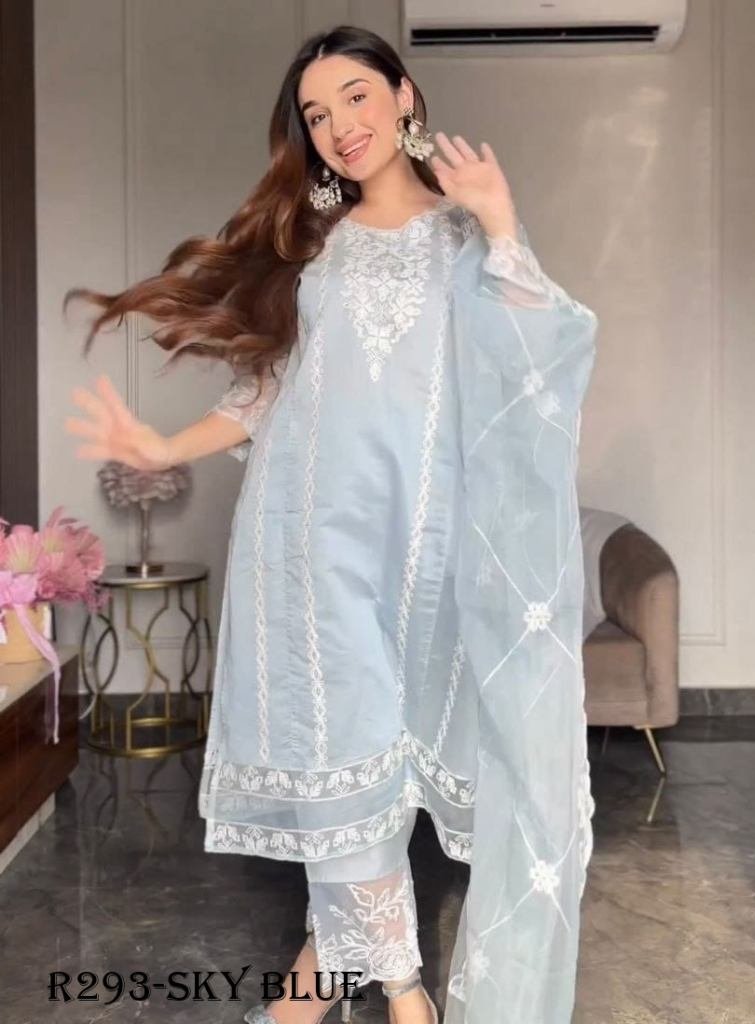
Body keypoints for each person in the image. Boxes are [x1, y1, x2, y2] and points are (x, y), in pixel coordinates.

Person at [64, 24, 598, 1024]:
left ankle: (313, 995)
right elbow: (265, 392)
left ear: (404, 96)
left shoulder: (464, 236)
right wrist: (164, 445)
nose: (339, 126)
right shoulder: (308, 245)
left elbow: (538, 359)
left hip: (428, 550)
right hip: (309, 541)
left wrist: (502, 224)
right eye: (316, 114)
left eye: (355, 96)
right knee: (336, 749)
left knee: (381, 763)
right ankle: (401, 992)